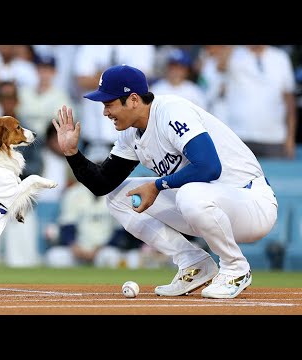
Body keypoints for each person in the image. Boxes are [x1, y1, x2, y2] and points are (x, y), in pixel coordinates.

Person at [52, 64, 278, 299]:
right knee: (119, 197)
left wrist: (158, 185)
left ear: (133, 100)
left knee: (189, 195)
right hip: (208, 205)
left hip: (250, 202)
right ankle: (193, 262)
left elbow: (209, 167)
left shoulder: (171, 111)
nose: (105, 112)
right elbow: (102, 184)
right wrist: (72, 153)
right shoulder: (130, 134)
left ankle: (235, 268)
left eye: (109, 104)